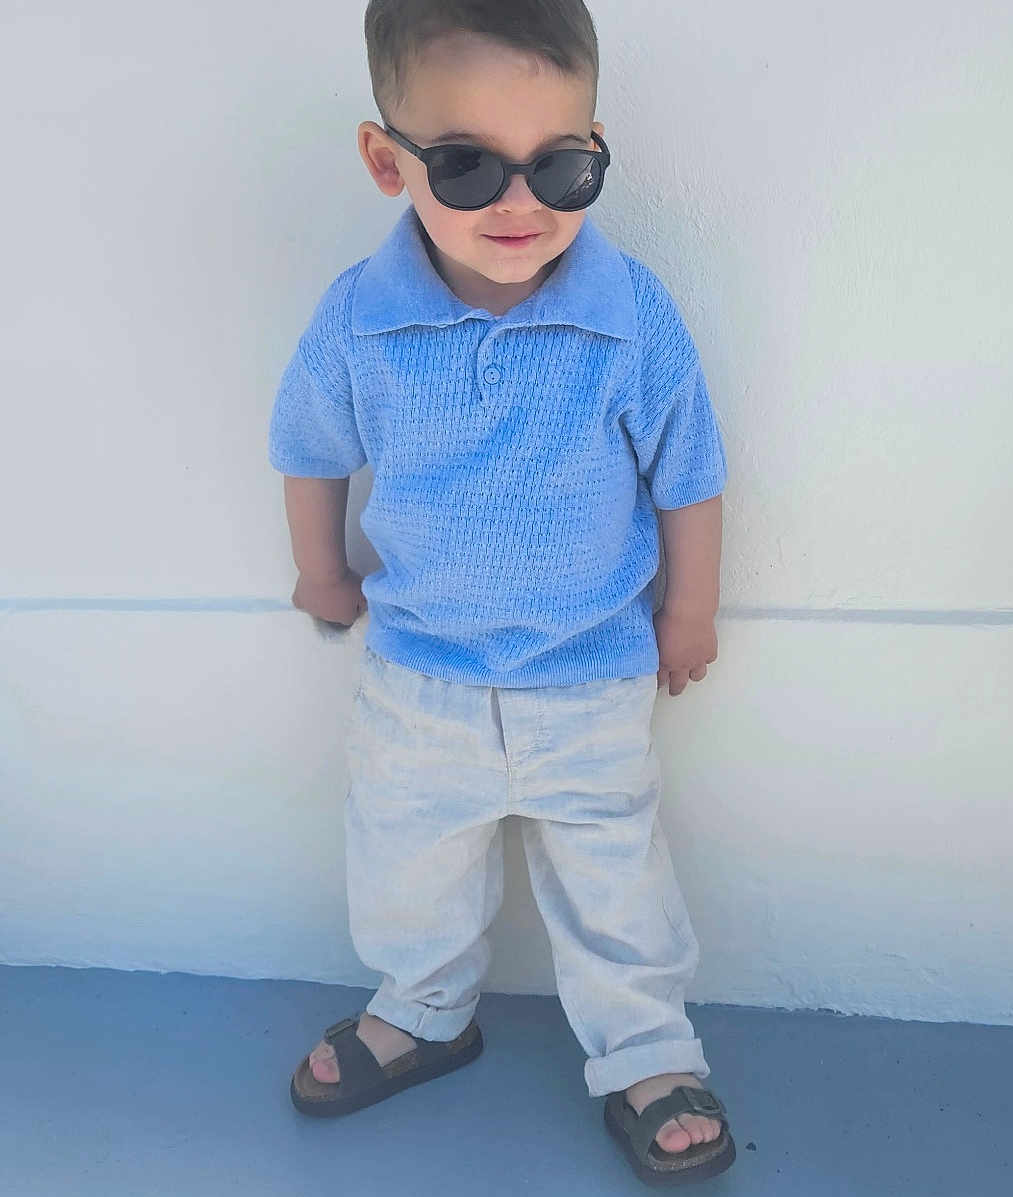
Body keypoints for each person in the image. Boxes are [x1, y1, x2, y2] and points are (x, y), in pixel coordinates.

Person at [269, 0, 734, 1184]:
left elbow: (689, 470)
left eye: (562, 166)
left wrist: (689, 609)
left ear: (594, 150)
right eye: (468, 167)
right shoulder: (359, 322)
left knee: (615, 879)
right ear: (389, 161)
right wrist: (321, 568)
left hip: (590, 673)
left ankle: (646, 1051)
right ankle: (423, 1009)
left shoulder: (632, 319)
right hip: (421, 674)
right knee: (405, 860)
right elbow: (311, 446)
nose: (519, 204)